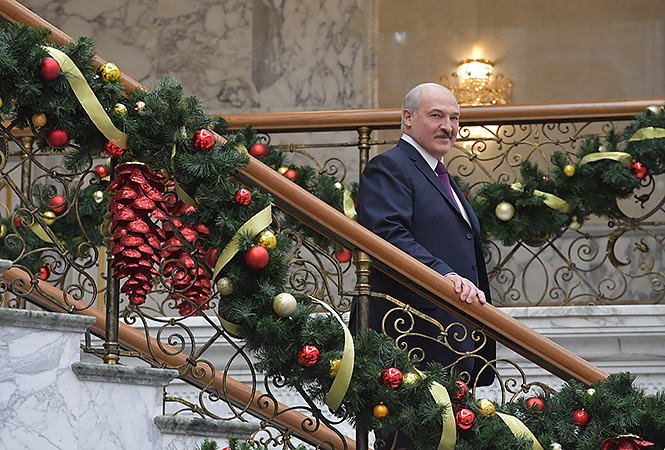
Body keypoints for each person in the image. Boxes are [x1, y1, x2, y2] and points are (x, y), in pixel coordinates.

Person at [355, 82, 496, 385]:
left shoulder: (438, 173)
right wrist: (446, 275)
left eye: (454, 118)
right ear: (408, 118)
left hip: (452, 333)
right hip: (410, 339)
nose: (448, 126)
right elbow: (389, 236)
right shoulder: (389, 167)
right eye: (436, 116)